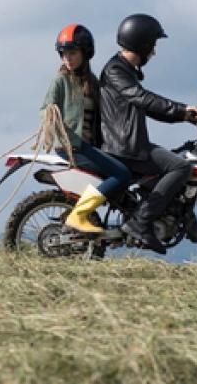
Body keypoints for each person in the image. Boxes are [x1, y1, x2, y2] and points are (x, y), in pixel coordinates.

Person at [99, 14, 197, 255]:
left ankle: (176, 212)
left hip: (130, 144)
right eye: (153, 45)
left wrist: (182, 116)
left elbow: (147, 106)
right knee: (180, 167)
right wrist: (181, 110)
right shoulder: (116, 70)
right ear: (143, 44)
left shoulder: (124, 70)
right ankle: (141, 222)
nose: (154, 52)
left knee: (178, 158)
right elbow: (143, 98)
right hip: (124, 147)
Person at [41, 23, 131, 235]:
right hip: (72, 147)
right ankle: (79, 215)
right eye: (63, 54)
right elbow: (45, 108)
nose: (67, 59)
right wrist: (52, 115)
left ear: (85, 53)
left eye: (72, 53)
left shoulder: (92, 82)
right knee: (121, 175)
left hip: (88, 146)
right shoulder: (60, 80)